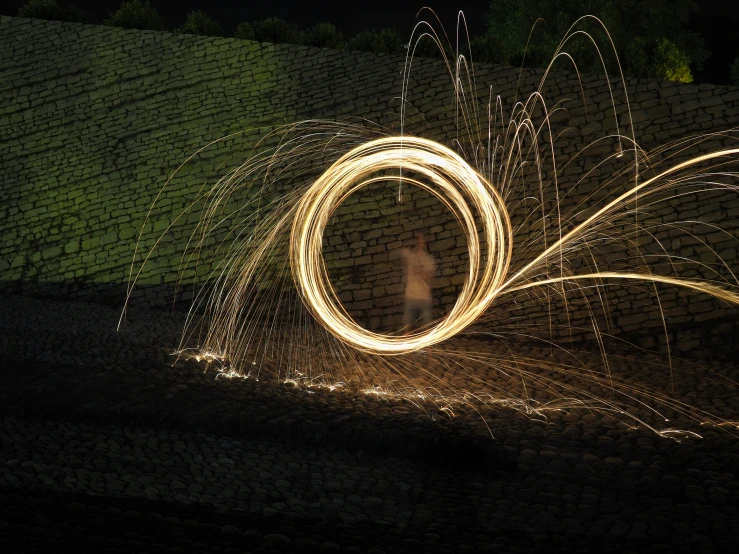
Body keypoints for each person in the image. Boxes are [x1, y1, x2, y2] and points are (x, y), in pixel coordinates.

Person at [402, 233, 436, 332]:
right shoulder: (409, 256)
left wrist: (420, 271)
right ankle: (406, 344)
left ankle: (428, 345)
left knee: (427, 327)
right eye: (417, 240)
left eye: (420, 240)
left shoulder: (427, 259)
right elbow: (398, 254)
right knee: (407, 327)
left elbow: (430, 276)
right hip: (411, 296)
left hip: (424, 296)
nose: (419, 243)